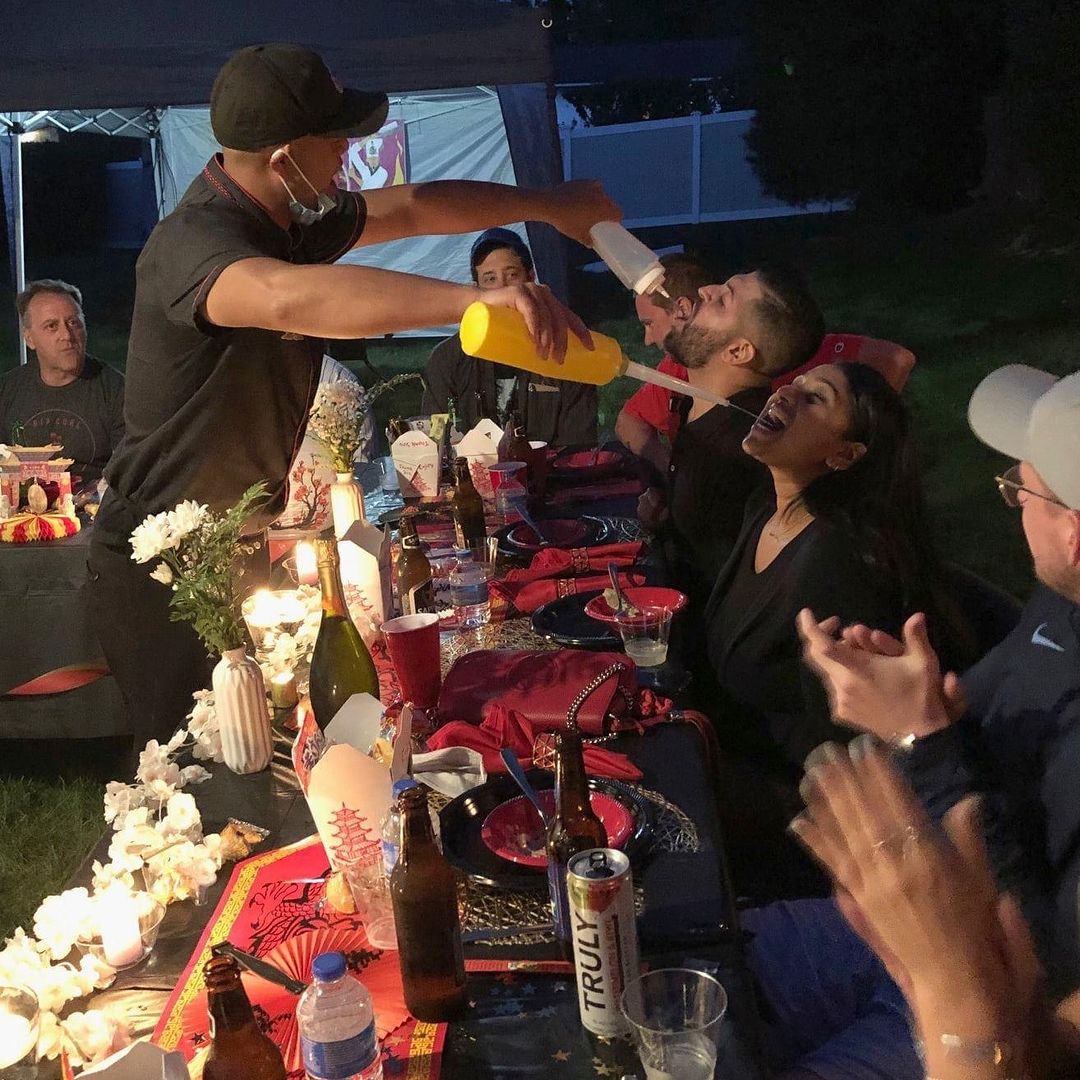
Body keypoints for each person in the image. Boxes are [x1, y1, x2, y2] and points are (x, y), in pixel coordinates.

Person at [87, 42, 620, 747]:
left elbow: (412, 206)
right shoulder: (194, 242)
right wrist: (477, 303)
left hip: (236, 539)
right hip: (159, 560)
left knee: (278, 742)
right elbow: (285, 299)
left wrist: (550, 206)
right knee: (197, 759)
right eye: (333, 139)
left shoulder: (289, 216)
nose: (349, 152)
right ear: (282, 158)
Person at [798, 363, 1080, 996]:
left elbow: (1042, 971)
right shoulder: (1065, 601)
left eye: (1020, 490)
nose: (1013, 507)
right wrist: (917, 698)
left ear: (1075, 535)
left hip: (969, 999)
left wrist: (919, 740)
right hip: (894, 913)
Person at [644, 264, 826, 606]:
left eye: (723, 300)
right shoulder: (700, 411)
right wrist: (666, 521)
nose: (704, 291)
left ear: (738, 352)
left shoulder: (744, 451)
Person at [421, 227, 598, 445]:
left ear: (531, 279)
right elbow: (434, 434)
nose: (503, 289)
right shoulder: (448, 358)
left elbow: (579, 445)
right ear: (476, 291)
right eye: (490, 279)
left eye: (512, 275)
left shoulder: (565, 351)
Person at [0, 280, 124, 489]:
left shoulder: (116, 391)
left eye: (74, 323)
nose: (66, 335)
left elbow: (128, 471)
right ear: (29, 339)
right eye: (51, 326)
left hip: (92, 511)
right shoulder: (7, 391)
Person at [614, 253, 713, 477]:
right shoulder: (676, 368)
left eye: (649, 324)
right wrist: (672, 471)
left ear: (683, 310)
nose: (648, 340)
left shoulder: (761, 373)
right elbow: (627, 421)